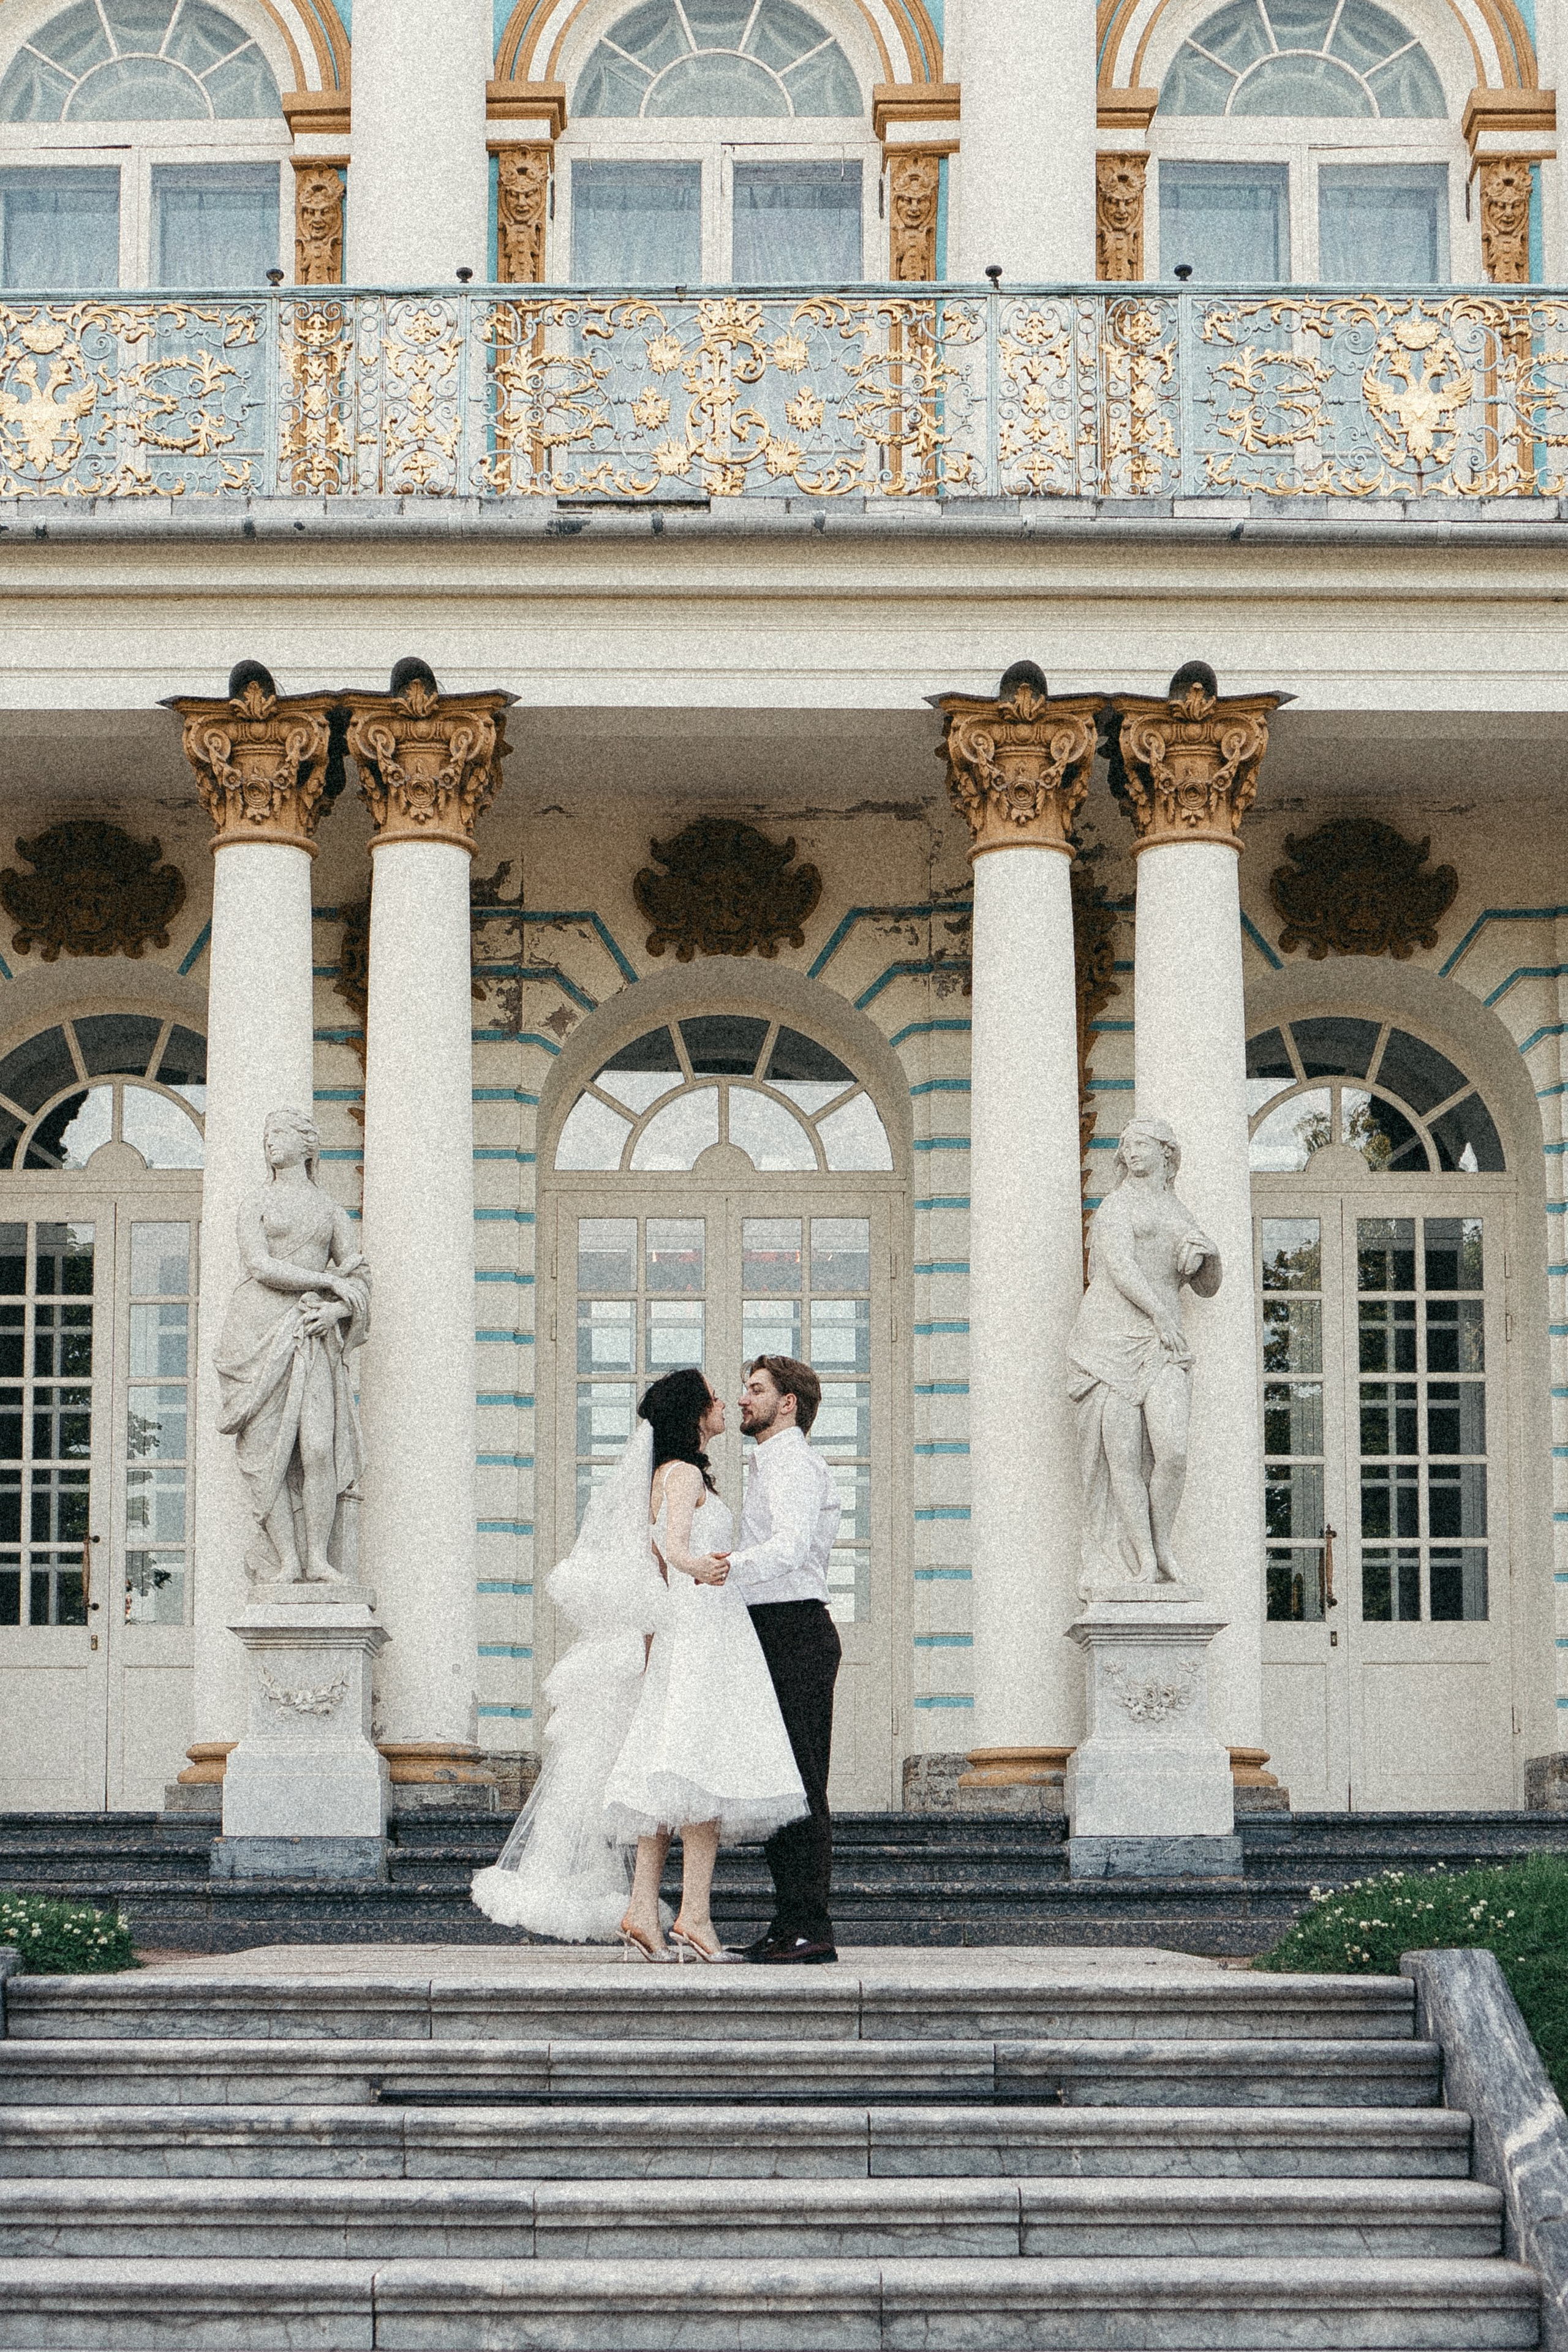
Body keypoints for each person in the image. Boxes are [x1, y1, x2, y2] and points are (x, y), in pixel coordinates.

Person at [470, 1367, 806, 1961]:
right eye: (713, 1397)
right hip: (703, 1627)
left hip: (689, 1629)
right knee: (701, 1769)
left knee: (671, 1776)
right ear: (694, 1414)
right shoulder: (680, 1474)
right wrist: (703, 1567)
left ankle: (643, 1909)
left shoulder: (672, 1473)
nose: (725, 1402)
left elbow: (655, 1561)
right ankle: (694, 1916)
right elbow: (673, 1549)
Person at [214, 1107, 371, 1586]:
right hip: (255, 1330)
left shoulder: (329, 1210)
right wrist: (326, 1281)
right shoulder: (254, 1203)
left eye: (280, 1133)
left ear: (308, 1145)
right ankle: (288, 1561)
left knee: (318, 1448)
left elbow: (360, 1277)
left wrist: (337, 1311)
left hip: (310, 1332)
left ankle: (319, 1558)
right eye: (266, 1134)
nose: (270, 1141)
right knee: (268, 1455)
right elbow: (260, 1266)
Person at [1066, 1116, 1220, 1597]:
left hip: (1162, 1342)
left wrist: (1211, 1255)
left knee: (1172, 1449)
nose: (1131, 1153)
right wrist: (1161, 1315)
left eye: (1140, 1145)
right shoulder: (1117, 1206)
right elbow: (1121, 1268)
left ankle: (1163, 1542)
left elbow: (1207, 1288)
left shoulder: (1180, 1212)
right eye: (1126, 1146)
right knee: (1123, 1461)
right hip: (1109, 1339)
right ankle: (1145, 1562)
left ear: (1166, 1152)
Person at [726, 1355, 843, 1966]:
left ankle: (810, 1929)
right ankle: (787, 1922)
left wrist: (723, 1568)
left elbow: (791, 1550)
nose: (743, 1399)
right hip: (772, 1626)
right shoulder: (771, 1462)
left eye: (755, 1389)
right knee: (780, 1783)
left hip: (794, 1627)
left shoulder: (794, 1461)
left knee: (801, 1782)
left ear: (788, 1401)